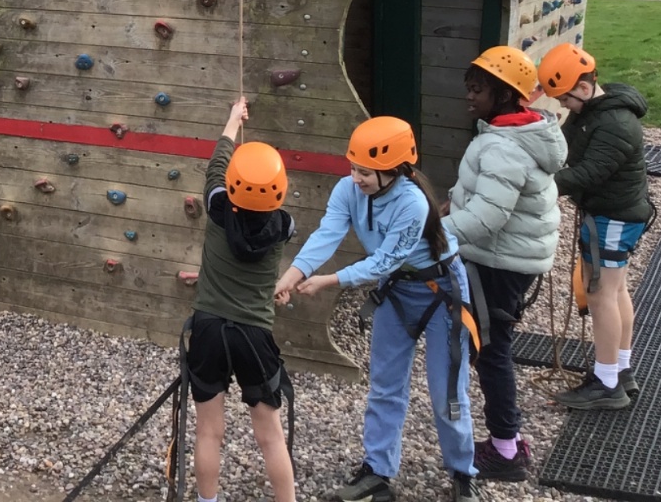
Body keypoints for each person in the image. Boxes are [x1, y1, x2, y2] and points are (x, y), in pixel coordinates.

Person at [274, 116, 481, 502]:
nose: (356, 178)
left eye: (365, 172)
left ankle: (462, 473)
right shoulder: (347, 190)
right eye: (353, 168)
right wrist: (293, 274)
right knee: (385, 384)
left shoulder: (412, 202)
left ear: (394, 170)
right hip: (397, 292)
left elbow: (384, 261)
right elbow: (327, 234)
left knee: (446, 391)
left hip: (440, 292)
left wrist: (328, 280)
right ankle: (377, 471)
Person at [444, 48, 566, 482]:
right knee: (491, 347)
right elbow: (485, 196)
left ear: (505, 93)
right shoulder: (516, 132)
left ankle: (506, 450)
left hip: (499, 263)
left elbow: (486, 219)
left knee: (492, 351)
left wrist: (432, 233)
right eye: (469, 88)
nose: (469, 96)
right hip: (512, 258)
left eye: (477, 89)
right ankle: (505, 441)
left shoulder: (503, 145)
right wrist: (451, 206)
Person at [183, 97, 297, 502]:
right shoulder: (284, 226)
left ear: (232, 187)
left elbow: (217, 166)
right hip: (253, 334)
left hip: (210, 328)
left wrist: (233, 121)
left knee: (208, 431)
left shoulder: (217, 207)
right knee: (271, 437)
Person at [538, 44, 652, 410]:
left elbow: (588, 173)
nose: (564, 106)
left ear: (585, 88)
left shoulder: (616, 123)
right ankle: (620, 369)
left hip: (614, 217)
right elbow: (563, 147)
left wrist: (536, 187)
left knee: (601, 294)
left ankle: (607, 384)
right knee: (615, 292)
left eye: (565, 99)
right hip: (609, 214)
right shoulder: (592, 112)